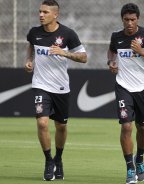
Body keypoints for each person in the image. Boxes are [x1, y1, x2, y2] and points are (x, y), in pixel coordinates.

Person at [24, 0, 87, 181]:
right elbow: (31, 46)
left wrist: (64, 53)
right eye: (40, 11)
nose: (41, 15)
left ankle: (58, 159)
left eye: (45, 12)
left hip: (61, 88)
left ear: (55, 14)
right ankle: (48, 161)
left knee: (61, 126)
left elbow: (84, 58)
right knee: (42, 123)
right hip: (40, 85)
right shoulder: (34, 33)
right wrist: (29, 60)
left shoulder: (68, 34)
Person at [107, 3, 144, 184]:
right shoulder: (117, 36)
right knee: (126, 126)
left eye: (133, 19)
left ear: (138, 19)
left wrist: (141, 52)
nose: (129, 23)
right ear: (122, 19)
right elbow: (111, 51)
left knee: (142, 127)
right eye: (126, 20)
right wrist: (111, 62)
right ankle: (130, 167)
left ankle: (140, 159)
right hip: (123, 87)